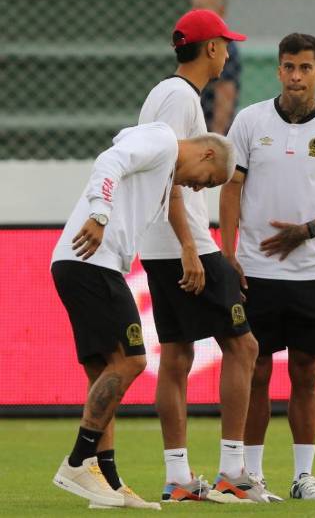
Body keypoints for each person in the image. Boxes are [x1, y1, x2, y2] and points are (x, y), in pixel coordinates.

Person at [50, 122, 235, 510]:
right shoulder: (162, 140)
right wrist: (99, 214)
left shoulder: (163, 175)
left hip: (82, 263)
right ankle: (77, 461)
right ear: (206, 154)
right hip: (92, 263)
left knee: (104, 370)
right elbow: (109, 160)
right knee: (133, 359)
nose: (200, 188)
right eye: (208, 181)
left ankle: (108, 483)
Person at [220, 32, 315, 501]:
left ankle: (304, 476)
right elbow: (230, 188)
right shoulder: (249, 121)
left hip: (313, 272)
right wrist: (228, 251)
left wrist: (308, 230)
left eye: (305, 68)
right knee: (257, 369)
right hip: (256, 271)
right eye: (288, 66)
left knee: (308, 371)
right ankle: (252, 474)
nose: (296, 76)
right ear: (278, 70)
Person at [138, 9, 272, 503]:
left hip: (160, 243)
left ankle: (178, 478)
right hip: (182, 241)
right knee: (244, 346)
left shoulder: (163, 93)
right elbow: (171, 174)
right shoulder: (180, 99)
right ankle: (233, 473)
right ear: (211, 47)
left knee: (177, 354)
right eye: (225, 43)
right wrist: (193, 247)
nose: (229, 52)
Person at [191, 0, 243, 135]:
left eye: (200, 8)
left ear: (221, 13)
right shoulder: (195, 44)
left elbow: (225, 94)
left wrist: (215, 137)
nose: (194, 13)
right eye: (193, 7)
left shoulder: (224, 48)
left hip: (209, 132)